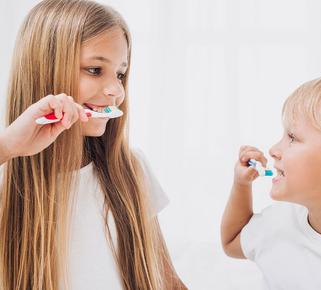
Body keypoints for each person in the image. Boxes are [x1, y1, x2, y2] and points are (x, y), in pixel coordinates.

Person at [0, 1, 186, 289]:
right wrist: (7, 147)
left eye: (120, 74)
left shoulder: (130, 170)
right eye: (96, 69)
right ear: (45, 70)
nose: (117, 90)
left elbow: (170, 283)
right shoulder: (5, 177)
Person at [221, 73, 321, 289]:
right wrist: (241, 185)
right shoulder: (278, 223)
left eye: (293, 138)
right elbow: (231, 242)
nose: (274, 150)